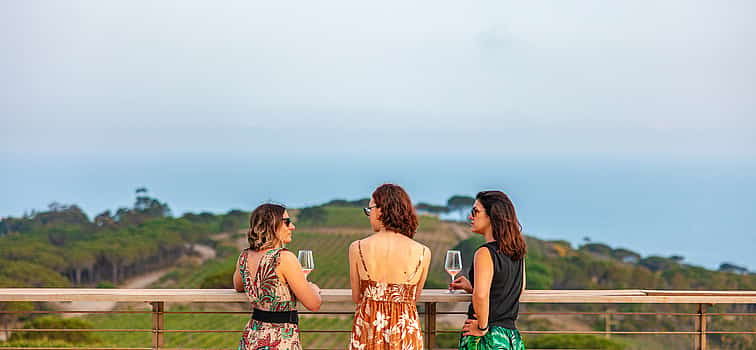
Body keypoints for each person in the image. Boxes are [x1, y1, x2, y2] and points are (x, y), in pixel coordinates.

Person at [349, 184, 431, 350]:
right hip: (405, 333)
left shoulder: (357, 247)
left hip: (369, 330)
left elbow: (357, 296)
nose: (369, 215)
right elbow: (414, 299)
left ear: (380, 211)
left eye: (369, 209)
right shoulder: (423, 252)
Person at [234, 203, 322, 350]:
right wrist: (313, 288)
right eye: (287, 222)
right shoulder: (284, 258)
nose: (292, 227)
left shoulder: (244, 257)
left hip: (251, 337)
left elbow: (239, 286)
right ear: (272, 225)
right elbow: (314, 304)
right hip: (279, 340)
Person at [450, 191, 527, 350]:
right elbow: (516, 290)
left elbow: (481, 295)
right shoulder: (517, 252)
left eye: (475, 211)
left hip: (487, 337)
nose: (470, 217)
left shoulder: (484, 253)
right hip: (510, 338)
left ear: (492, 216)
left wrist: (482, 328)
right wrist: (472, 287)